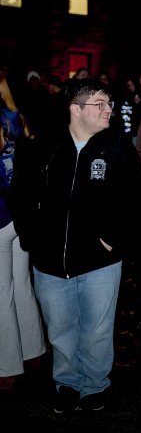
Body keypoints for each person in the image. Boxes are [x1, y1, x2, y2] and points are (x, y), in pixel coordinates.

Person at [10, 78, 141, 413]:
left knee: (97, 328)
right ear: (76, 109)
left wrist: (115, 240)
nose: (108, 110)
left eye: (109, 104)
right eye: (99, 104)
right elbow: (21, 195)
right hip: (51, 261)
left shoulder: (116, 147)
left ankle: (94, 384)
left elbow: (138, 199)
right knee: (60, 328)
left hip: (100, 260)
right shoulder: (46, 147)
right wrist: (33, 239)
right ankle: (67, 383)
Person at [0, 74, 46, 393]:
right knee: (22, 285)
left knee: (2, 293)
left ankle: (7, 367)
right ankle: (33, 352)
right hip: (19, 215)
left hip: (1, 216)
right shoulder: (15, 116)